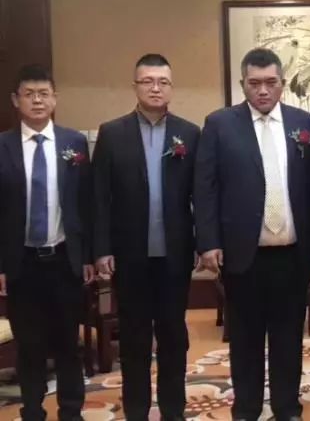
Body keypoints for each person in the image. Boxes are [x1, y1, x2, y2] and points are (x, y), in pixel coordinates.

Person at [194, 48, 310, 421]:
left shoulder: (306, 124)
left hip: (292, 254)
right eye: (254, 83)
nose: (263, 91)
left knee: (288, 338)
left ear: (282, 83)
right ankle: (246, 408)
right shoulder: (220, 124)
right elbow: (205, 187)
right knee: (245, 339)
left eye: (270, 82)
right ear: (242, 84)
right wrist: (208, 241)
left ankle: (287, 408)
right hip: (242, 254)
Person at [93, 53, 200, 420]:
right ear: (135, 86)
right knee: (135, 338)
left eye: (163, 82)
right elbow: (99, 196)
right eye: (148, 81)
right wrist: (101, 248)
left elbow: (200, 195)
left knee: (173, 337)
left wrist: (201, 243)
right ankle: (136, 411)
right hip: (129, 254)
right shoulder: (112, 133)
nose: (156, 88)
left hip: (175, 254)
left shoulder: (189, 134)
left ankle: (174, 410)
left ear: (171, 87)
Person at [0, 64, 93, 421]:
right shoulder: (3, 146)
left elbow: (85, 203)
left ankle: (71, 411)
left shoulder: (74, 143)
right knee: (30, 346)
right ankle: (33, 411)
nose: (37, 101)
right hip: (21, 263)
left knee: (69, 342)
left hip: (64, 259)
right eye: (29, 94)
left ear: (55, 99)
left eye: (44, 93)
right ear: (16, 100)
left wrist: (87, 255)